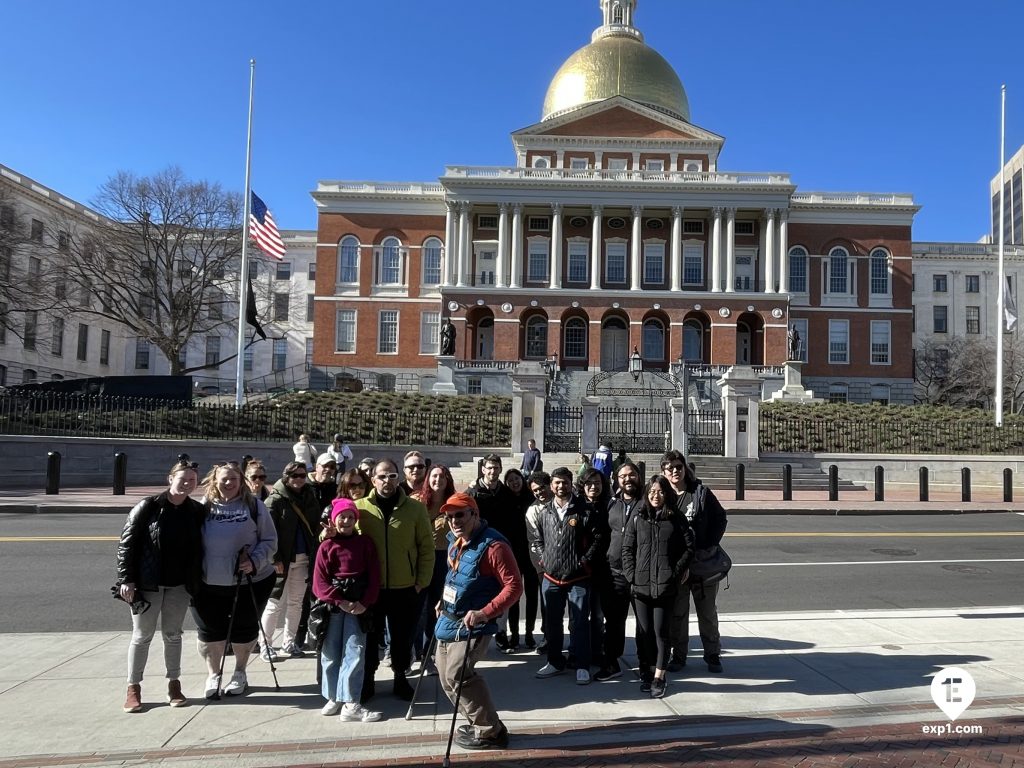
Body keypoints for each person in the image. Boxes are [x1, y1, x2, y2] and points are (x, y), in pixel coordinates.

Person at [433, 492, 523, 750]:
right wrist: (443, 600)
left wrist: (486, 612)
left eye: (460, 514)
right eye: (450, 517)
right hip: (449, 618)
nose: (454, 521)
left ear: (474, 513)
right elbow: (456, 577)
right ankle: (480, 723)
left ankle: (490, 731)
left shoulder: (494, 546)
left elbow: (514, 586)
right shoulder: (455, 541)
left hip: (473, 624)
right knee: (446, 677)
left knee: (459, 675)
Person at [115, 459, 205, 712]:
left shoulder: (196, 511)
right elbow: (127, 544)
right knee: (142, 636)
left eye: (192, 480)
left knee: (173, 635)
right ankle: (133, 688)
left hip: (179, 585)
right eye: (183, 479)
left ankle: (174, 684)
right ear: (170, 479)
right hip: (147, 584)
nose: (187, 483)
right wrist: (127, 579)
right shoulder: (148, 506)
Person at [192, 461, 277, 699]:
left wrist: (254, 561)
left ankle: (240, 672)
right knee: (210, 632)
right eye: (224, 479)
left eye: (234, 479)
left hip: (249, 581)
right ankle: (213, 674)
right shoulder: (204, 507)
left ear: (241, 481)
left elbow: (270, 541)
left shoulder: (255, 506)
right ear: (214, 481)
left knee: (244, 629)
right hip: (209, 582)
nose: (228, 483)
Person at [355, 459, 434, 702]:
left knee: (403, 637)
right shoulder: (360, 508)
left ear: (398, 478)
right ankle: (368, 679)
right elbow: (343, 537)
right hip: (372, 588)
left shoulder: (415, 508)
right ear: (373, 479)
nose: (386, 481)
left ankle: (400, 677)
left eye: (392, 476)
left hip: (405, 587)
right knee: (370, 637)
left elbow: (426, 548)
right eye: (381, 476)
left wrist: (421, 581)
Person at [528, 466, 607, 685]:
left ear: (571, 484)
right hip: (551, 577)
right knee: (552, 622)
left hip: (578, 577)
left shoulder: (584, 510)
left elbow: (597, 539)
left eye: (565, 482)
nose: (561, 486)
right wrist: (544, 559)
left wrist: (584, 559)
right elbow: (537, 539)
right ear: (551, 485)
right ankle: (554, 661)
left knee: (579, 622)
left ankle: (582, 664)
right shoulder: (544, 511)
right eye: (557, 482)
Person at [622, 475, 694, 698]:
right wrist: (631, 575)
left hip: (665, 586)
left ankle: (659, 676)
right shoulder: (638, 516)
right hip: (641, 586)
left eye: (661, 491)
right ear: (646, 493)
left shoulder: (676, 518)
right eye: (652, 491)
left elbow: (689, 548)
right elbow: (627, 548)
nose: (656, 495)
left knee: (661, 633)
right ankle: (646, 669)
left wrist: (676, 572)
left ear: (667, 494)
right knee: (644, 633)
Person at [313, 498, 383, 722]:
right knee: (330, 651)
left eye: (351, 517)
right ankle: (333, 696)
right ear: (334, 519)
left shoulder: (365, 543)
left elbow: (374, 576)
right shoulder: (327, 546)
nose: (346, 521)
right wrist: (338, 600)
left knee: (355, 651)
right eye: (342, 517)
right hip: (334, 605)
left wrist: (364, 602)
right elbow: (319, 582)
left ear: (356, 520)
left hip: (358, 603)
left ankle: (351, 701)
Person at [661, 450, 728, 673]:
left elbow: (720, 518)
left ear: (685, 469)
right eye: (670, 468)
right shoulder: (661, 495)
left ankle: (712, 654)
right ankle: (679, 656)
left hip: (701, 565)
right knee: (678, 614)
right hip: (677, 567)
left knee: (707, 612)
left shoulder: (700, 493)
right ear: (664, 471)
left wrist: (708, 544)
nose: (674, 471)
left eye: (678, 467)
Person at [260, 461, 321, 660]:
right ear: (286, 476)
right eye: (295, 475)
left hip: (303, 557)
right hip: (282, 559)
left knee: (296, 603)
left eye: (303, 475)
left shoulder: (309, 496)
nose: (299, 479)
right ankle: (266, 644)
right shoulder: (275, 500)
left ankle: (289, 642)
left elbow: (314, 524)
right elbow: (267, 532)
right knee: (274, 602)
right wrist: (274, 558)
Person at [595, 461, 643, 682]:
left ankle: (647, 664)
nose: (627, 479)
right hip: (614, 573)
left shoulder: (647, 503)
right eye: (622, 476)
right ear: (616, 480)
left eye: (631, 475)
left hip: (641, 574)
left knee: (645, 624)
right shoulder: (610, 504)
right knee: (614, 622)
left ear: (638, 477)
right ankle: (612, 662)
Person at [468, 454, 518, 651]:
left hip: (501, 548)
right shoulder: (473, 492)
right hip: (478, 547)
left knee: (503, 591)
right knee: (477, 590)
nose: (492, 471)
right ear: (483, 469)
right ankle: (475, 630)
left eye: (496, 468)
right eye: (489, 468)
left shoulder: (506, 494)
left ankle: (501, 632)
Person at [411, 463, 455, 665]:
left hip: (443, 560)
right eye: (434, 476)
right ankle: (414, 652)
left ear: (448, 481)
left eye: (443, 477)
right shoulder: (416, 501)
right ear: (428, 479)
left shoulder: (453, 504)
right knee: (417, 608)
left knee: (438, 607)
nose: (438, 480)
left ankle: (430, 654)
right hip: (419, 558)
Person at [577, 467, 611, 678]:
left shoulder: (609, 505)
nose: (593, 487)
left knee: (598, 615)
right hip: (578, 568)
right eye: (589, 483)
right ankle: (578, 651)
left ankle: (597, 651)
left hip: (601, 568)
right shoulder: (577, 506)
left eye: (597, 483)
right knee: (578, 616)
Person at [502, 468, 537, 653]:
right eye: (510, 480)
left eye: (517, 479)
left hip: (530, 554)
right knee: (513, 596)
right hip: (511, 554)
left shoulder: (531, 499)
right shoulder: (504, 500)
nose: (514, 482)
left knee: (532, 595)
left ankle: (529, 634)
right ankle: (514, 635)